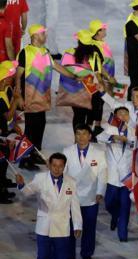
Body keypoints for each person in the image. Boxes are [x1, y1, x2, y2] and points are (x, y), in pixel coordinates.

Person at [16, 153, 83, 259]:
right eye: (54, 165)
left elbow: (75, 206)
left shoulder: (71, 182)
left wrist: (78, 225)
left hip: (62, 228)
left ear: (64, 166)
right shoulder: (40, 179)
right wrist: (21, 185)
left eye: (60, 166)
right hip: (44, 227)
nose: (57, 169)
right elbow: (28, 191)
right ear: (49, 165)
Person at [15, 24, 79, 171]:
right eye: (43, 33)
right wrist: (18, 95)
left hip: (43, 97)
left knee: (41, 124)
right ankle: (25, 158)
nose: (45, 36)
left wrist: (73, 76)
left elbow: (57, 67)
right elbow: (18, 76)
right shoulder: (25, 52)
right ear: (35, 36)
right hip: (30, 97)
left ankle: (35, 152)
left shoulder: (45, 52)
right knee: (31, 128)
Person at [63, 124, 107, 259]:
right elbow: (63, 173)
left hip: (91, 197)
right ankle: (69, 255)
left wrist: (100, 191)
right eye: (78, 134)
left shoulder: (99, 153)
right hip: (72, 197)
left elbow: (103, 173)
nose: (81, 137)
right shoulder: (67, 151)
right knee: (69, 228)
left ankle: (87, 253)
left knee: (89, 226)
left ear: (90, 136)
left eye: (84, 134)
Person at [97, 107, 135, 242]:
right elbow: (99, 138)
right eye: (120, 114)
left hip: (127, 176)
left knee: (125, 205)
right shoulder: (110, 130)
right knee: (109, 203)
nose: (123, 116)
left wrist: (128, 141)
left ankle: (122, 233)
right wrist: (115, 137)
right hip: (112, 176)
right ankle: (115, 215)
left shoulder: (133, 131)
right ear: (116, 117)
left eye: (126, 114)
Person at [89, 19, 115, 134]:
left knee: (101, 101)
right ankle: (90, 128)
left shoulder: (102, 43)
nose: (105, 30)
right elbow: (97, 66)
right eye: (103, 29)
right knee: (95, 102)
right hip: (98, 79)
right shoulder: (94, 45)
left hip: (106, 77)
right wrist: (104, 78)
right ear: (98, 32)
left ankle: (97, 125)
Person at [0, 59, 19, 204]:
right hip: (1, 135)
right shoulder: (0, 97)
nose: (13, 78)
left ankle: (3, 185)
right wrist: (16, 101)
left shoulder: (5, 91)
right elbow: (8, 115)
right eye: (11, 75)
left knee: (4, 162)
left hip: (4, 132)